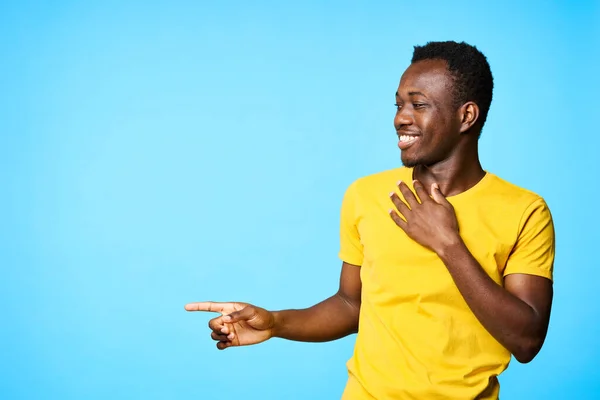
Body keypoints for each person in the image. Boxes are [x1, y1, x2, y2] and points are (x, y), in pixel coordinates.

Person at [185, 41, 555, 399]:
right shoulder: (366, 195)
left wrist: (448, 243)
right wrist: (276, 323)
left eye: (418, 104)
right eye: (398, 105)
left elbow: (526, 340)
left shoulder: (524, 211)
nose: (400, 118)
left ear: (466, 116)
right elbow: (350, 304)